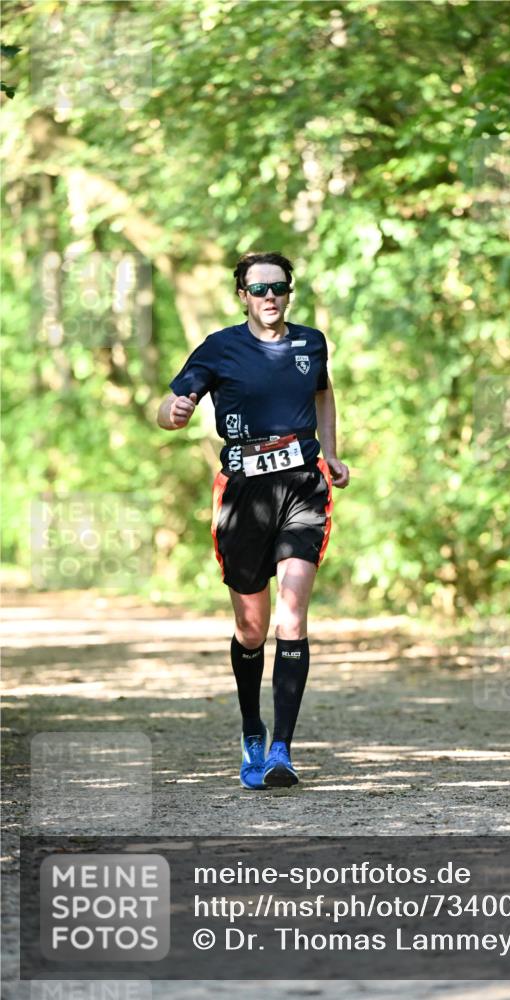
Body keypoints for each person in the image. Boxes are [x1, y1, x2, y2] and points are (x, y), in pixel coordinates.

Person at [157, 251, 349, 789]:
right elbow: (171, 404)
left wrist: (330, 452)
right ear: (242, 294)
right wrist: (172, 414)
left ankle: (283, 750)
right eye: (258, 288)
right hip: (243, 495)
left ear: (290, 292)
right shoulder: (220, 348)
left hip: (302, 488)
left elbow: (323, 393)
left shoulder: (310, 343)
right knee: (252, 629)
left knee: (292, 616)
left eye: (279, 288)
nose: (270, 296)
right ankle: (251, 731)